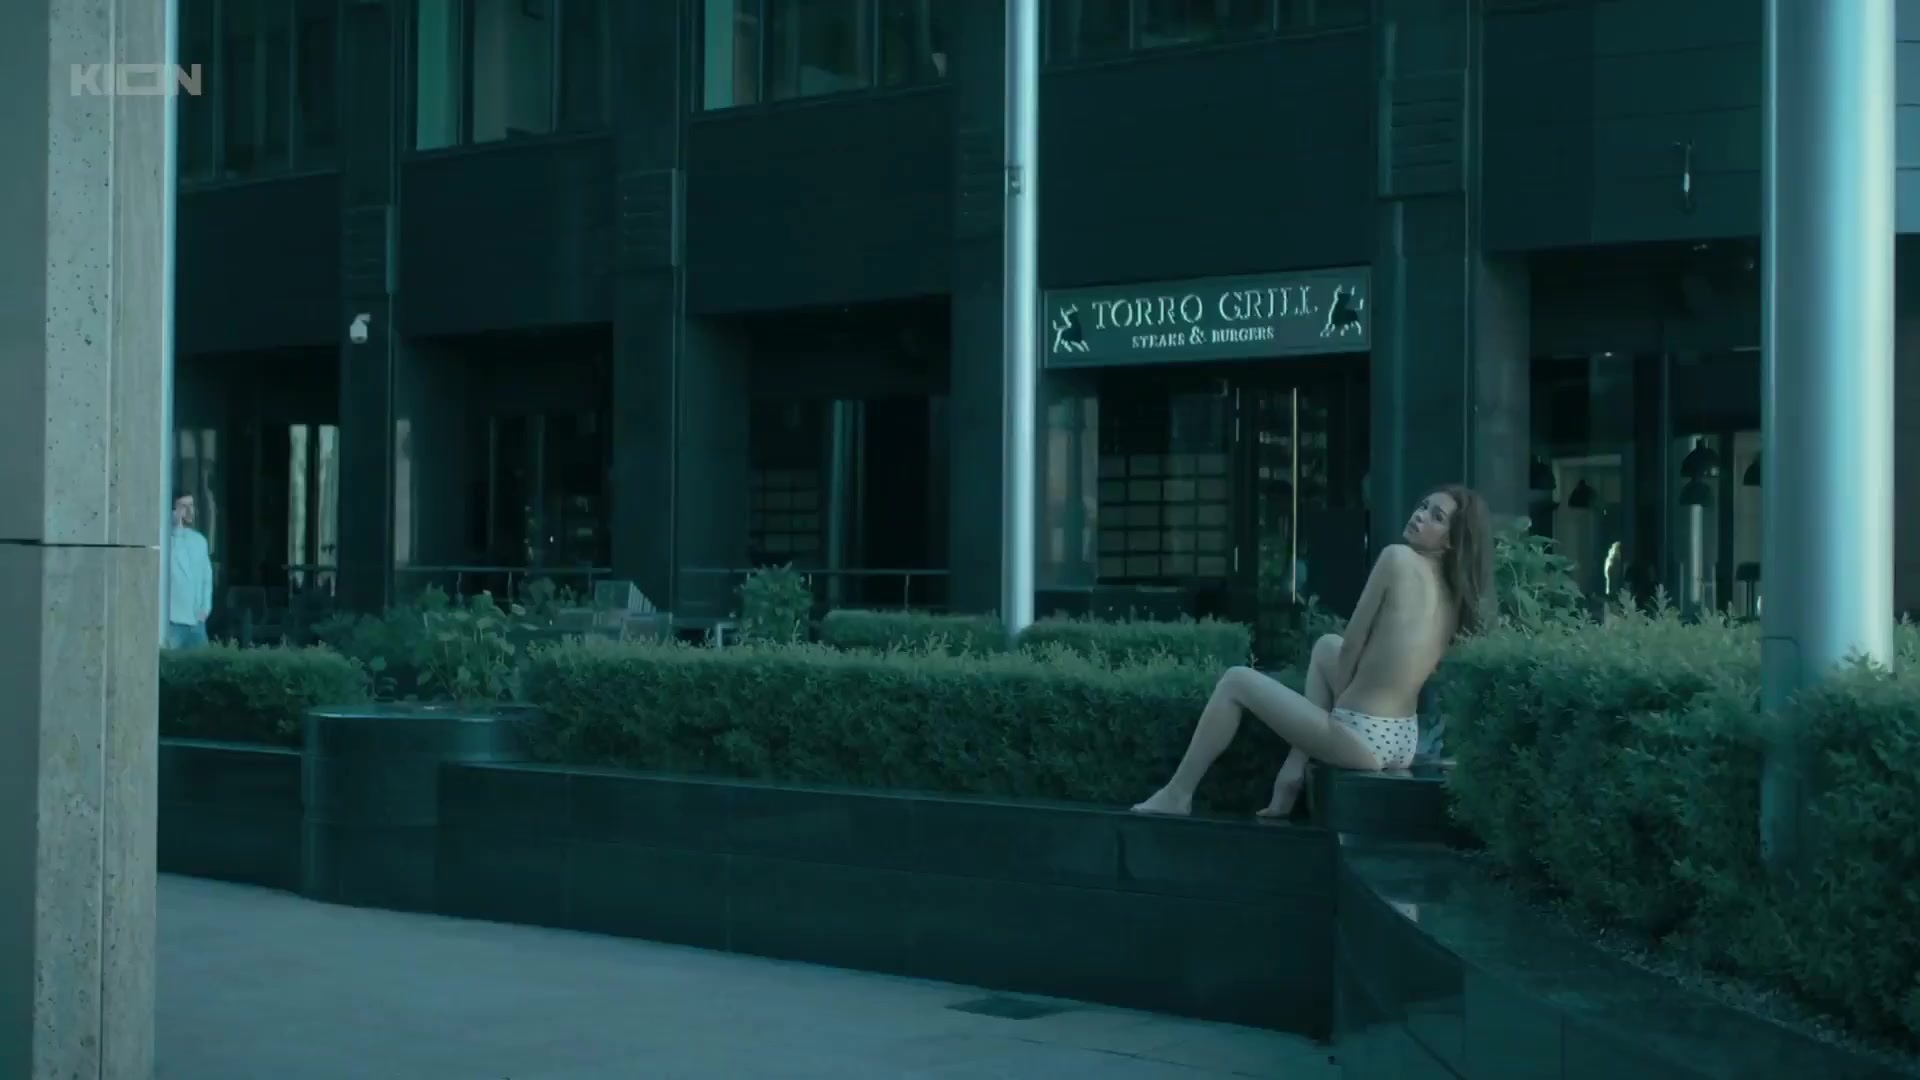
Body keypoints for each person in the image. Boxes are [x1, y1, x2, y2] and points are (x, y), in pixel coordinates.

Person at [1132, 485, 1492, 817]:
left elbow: (1354, 643)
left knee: (1235, 681)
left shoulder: (1396, 558)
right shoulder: (1455, 595)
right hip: (1403, 740)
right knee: (1325, 646)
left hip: (1363, 735)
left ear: (1451, 541)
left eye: (1436, 517)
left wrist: (1344, 705)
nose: (1420, 515)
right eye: (1423, 506)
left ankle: (1177, 794)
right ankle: (1292, 772)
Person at [165, 492, 214, 649]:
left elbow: (207, 578)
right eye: (183, 506)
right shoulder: (166, 541)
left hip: (197, 621)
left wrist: (205, 609)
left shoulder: (199, 541)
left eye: (191, 505)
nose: (189, 511)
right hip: (173, 622)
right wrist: (174, 526)